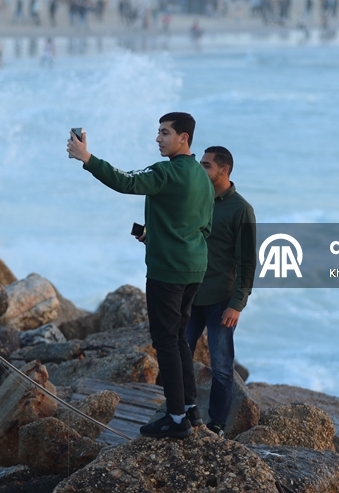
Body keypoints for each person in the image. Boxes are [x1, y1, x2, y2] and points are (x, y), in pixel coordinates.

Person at [67, 113, 213, 438]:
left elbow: (126, 181)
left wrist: (86, 157)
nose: (158, 139)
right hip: (194, 268)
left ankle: (175, 419)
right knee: (179, 338)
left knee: (165, 341)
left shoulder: (167, 171)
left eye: (164, 133)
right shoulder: (202, 177)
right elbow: (200, 226)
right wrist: (155, 235)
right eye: (158, 132)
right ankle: (190, 410)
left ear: (184, 138)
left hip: (168, 270)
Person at [186, 146, 255, 436]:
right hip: (189, 295)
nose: (200, 170)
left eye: (206, 166)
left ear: (223, 171)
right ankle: (181, 413)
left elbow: (248, 262)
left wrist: (237, 304)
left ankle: (216, 426)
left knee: (223, 368)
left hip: (220, 300)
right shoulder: (196, 199)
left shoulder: (241, 209)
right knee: (177, 358)